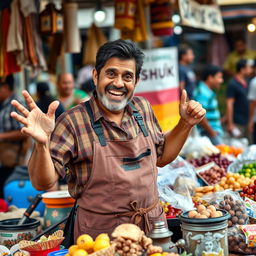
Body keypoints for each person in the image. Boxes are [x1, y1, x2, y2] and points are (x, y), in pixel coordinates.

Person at [11, 39, 206, 240]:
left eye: (127, 76)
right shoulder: (73, 121)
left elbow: (162, 156)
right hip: (101, 237)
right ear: (96, 76)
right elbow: (42, 182)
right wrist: (41, 144)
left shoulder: (143, 108)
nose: (118, 83)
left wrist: (186, 124)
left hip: (153, 230)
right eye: (111, 73)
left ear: (136, 82)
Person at [0, 74, 30, 198]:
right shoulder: (3, 104)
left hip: (14, 160)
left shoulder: (16, 104)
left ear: (5, 87)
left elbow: (24, 130)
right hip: (4, 161)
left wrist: (1, 136)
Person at [193, 65, 224, 145]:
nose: (221, 81)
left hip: (212, 133)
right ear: (210, 78)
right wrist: (212, 133)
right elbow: (200, 115)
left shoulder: (206, 91)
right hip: (208, 135)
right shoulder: (202, 93)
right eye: (219, 77)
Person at [226, 59, 253, 140]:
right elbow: (229, 104)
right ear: (242, 69)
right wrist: (230, 123)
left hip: (247, 121)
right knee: (237, 146)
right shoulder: (233, 84)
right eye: (249, 68)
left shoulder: (248, 82)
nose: (251, 70)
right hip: (237, 121)